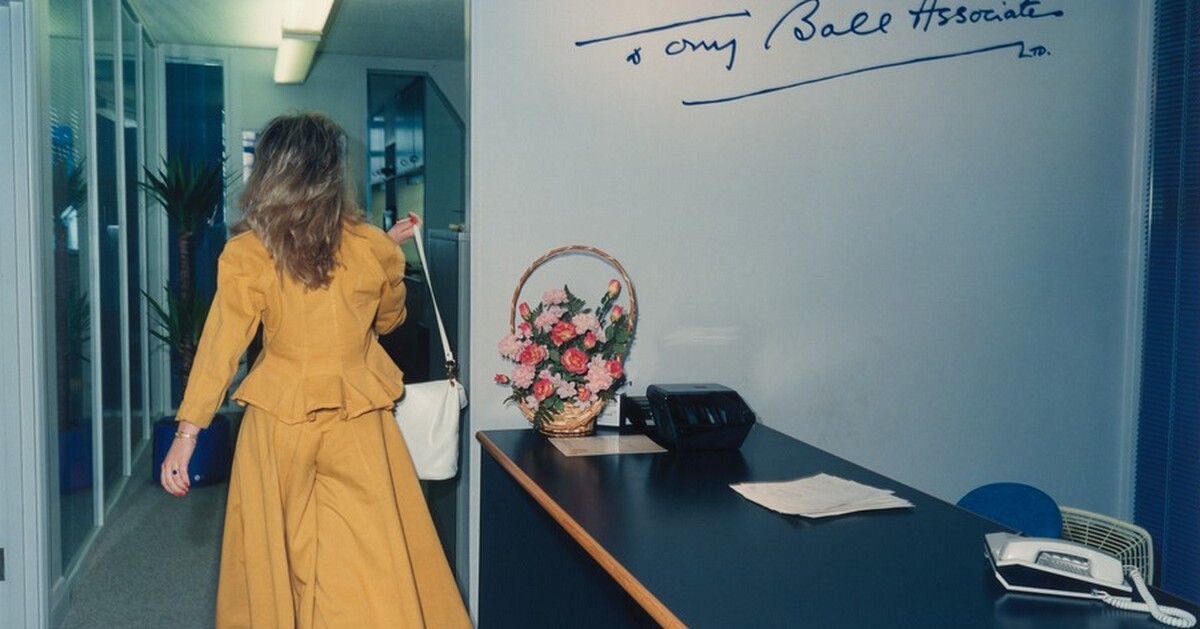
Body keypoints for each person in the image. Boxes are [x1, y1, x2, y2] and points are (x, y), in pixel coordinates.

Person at [159, 112, 471, 628]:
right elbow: (390, 321)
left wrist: (187, 433)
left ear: (270, 172)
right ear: (332, 172)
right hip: (358, 423)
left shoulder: (248, 253)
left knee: (280, 560)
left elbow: (220, 347)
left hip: (278, 425)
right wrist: (385, 255)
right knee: (371, 562)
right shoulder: (371, 247)